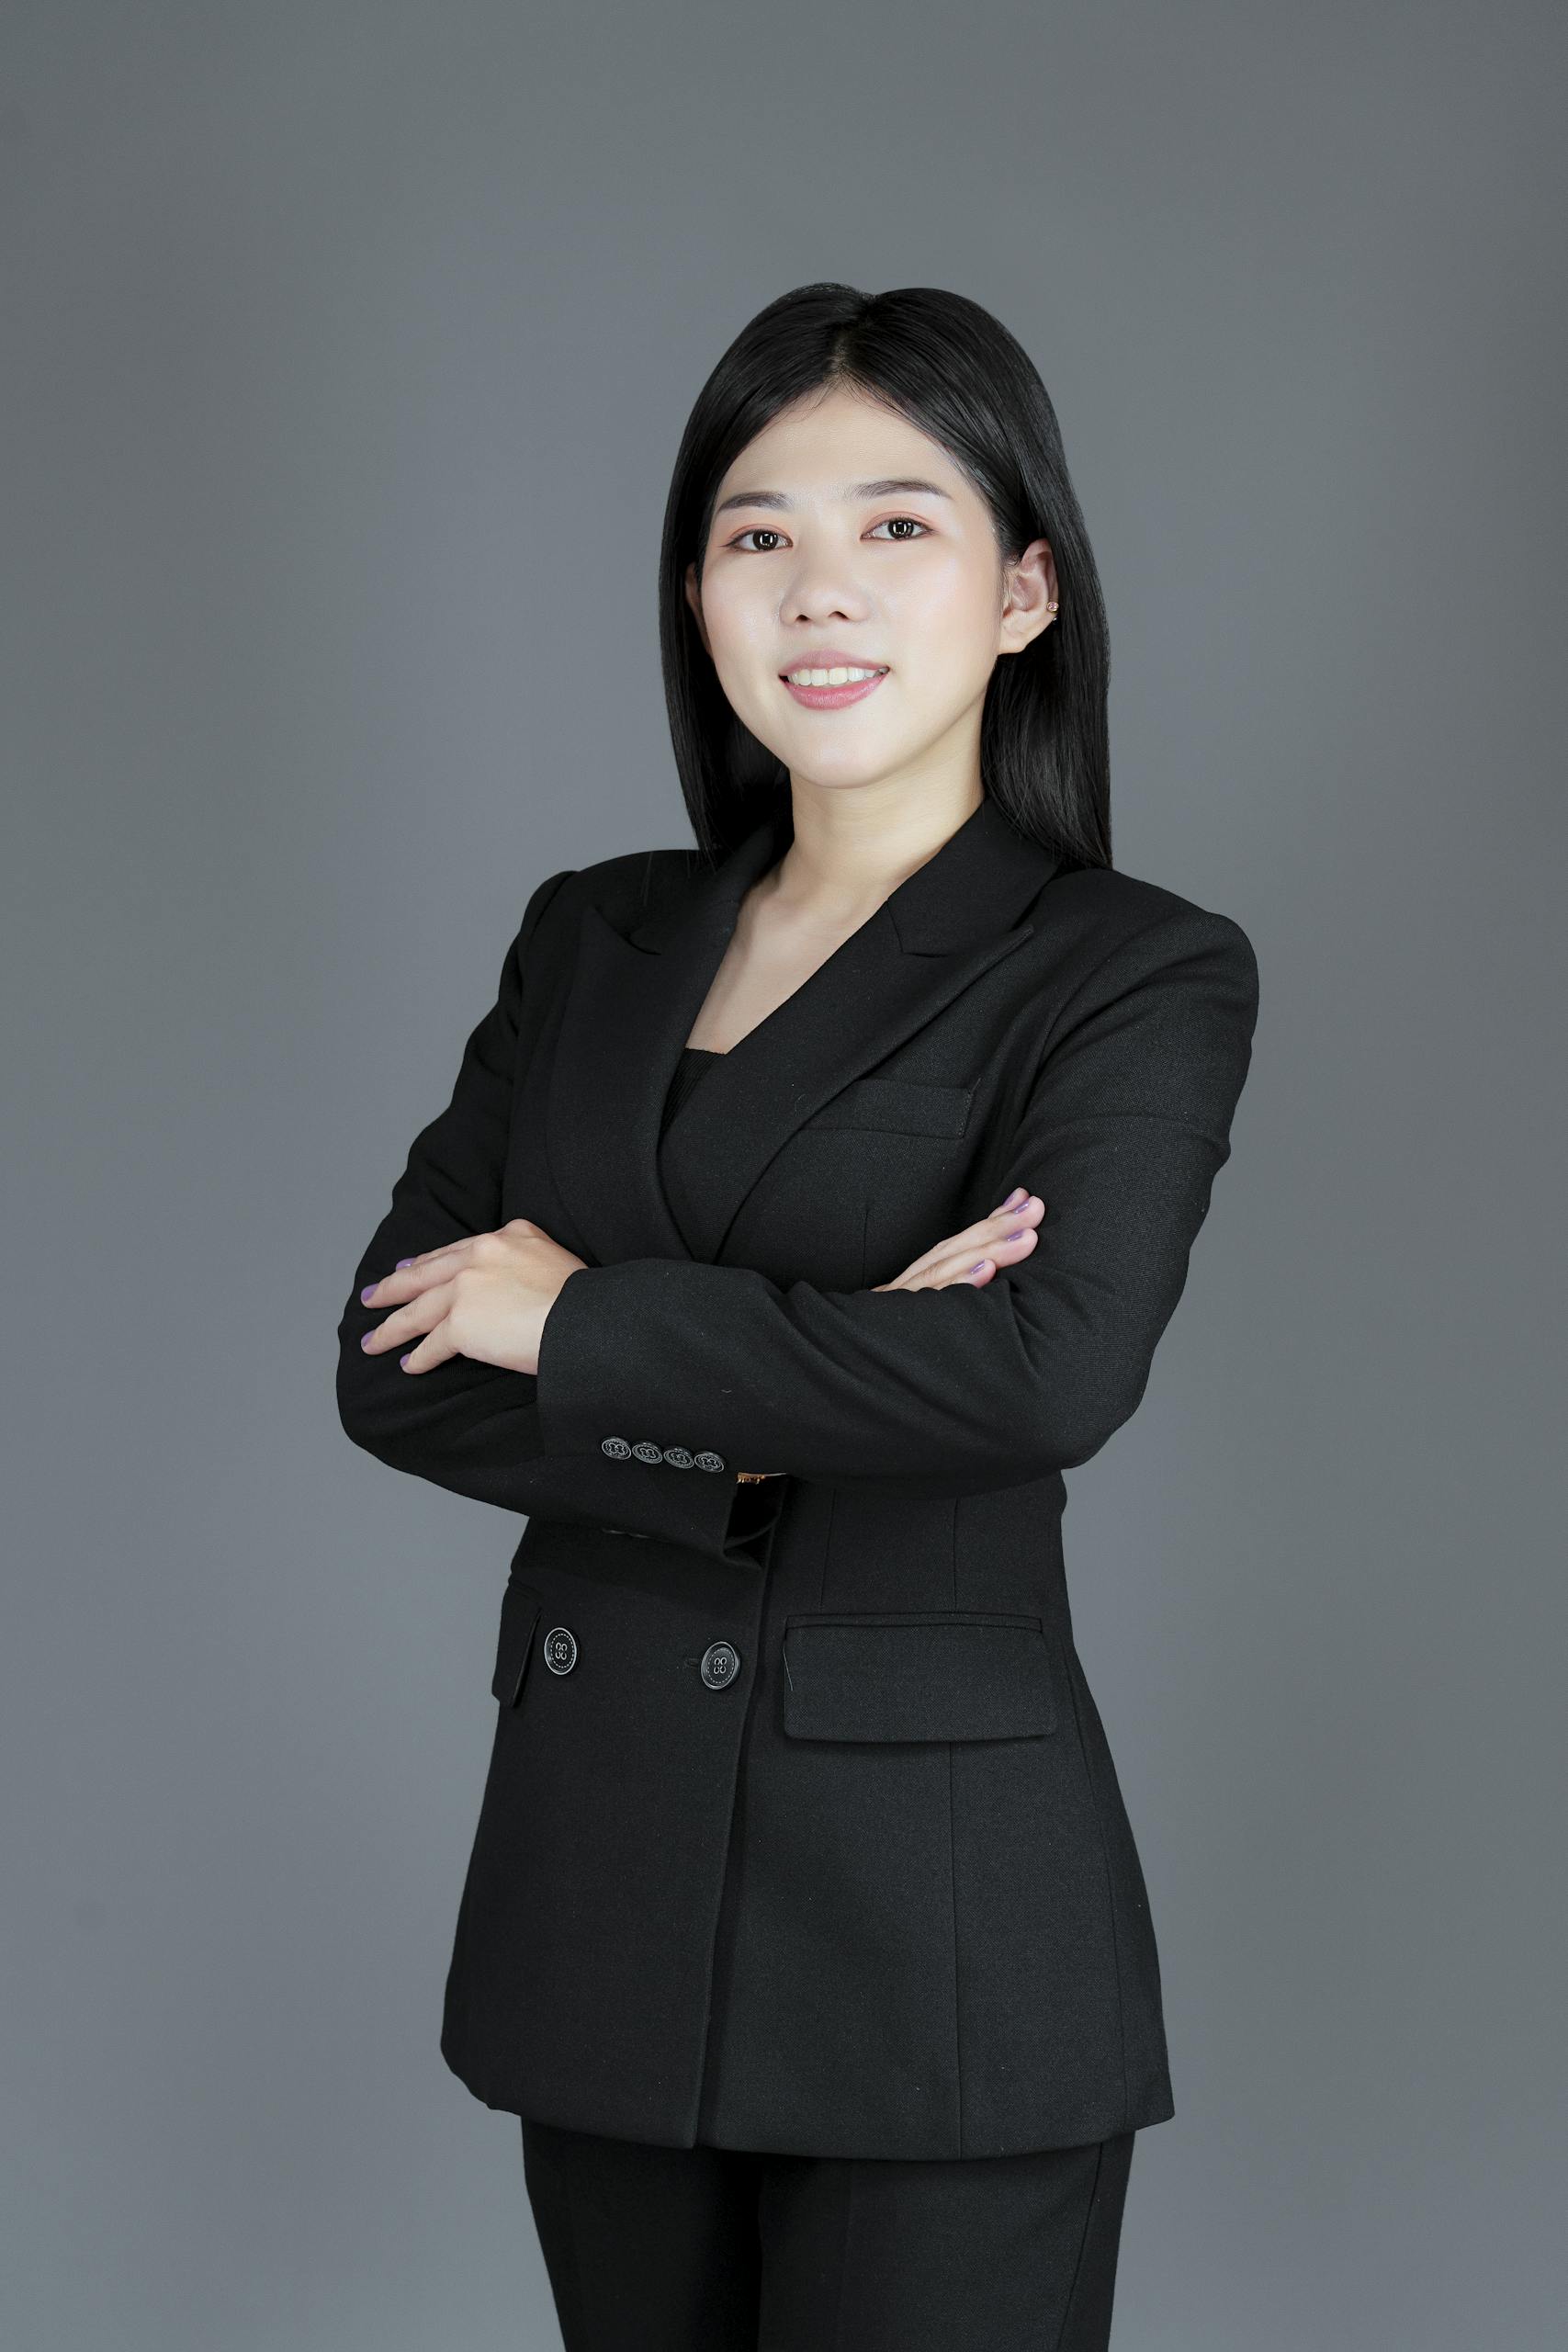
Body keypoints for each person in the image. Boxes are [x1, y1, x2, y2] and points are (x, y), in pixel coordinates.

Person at [335, 281, 1260, 2351]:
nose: (817, 590)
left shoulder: (1123, 968)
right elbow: (389, 1364)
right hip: (599, 1884)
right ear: (693, 591)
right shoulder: (594, 934)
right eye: (757, 534)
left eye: (896, 526)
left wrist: (576, 1320)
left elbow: (1042, 1371)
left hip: (933, 1919)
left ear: (1023, 590)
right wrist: (816, 1371)